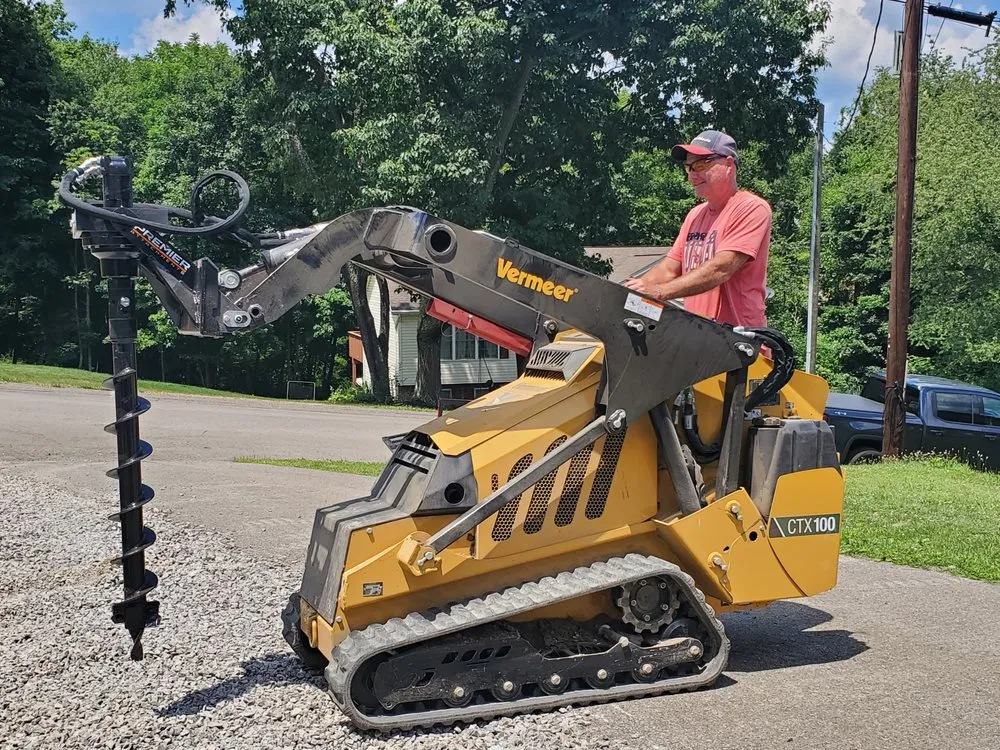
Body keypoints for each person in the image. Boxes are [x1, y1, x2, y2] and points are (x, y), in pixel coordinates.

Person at [623, 130, 772, 328]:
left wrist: (658, 291)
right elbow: (668, 269)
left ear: (728, 165)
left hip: (742, 344)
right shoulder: (695, 215)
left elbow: (721, 269)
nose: (693, 175)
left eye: (701, 165)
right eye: (689, 168)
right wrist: (625, 295)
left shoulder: (751, 208)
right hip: (700, 337)